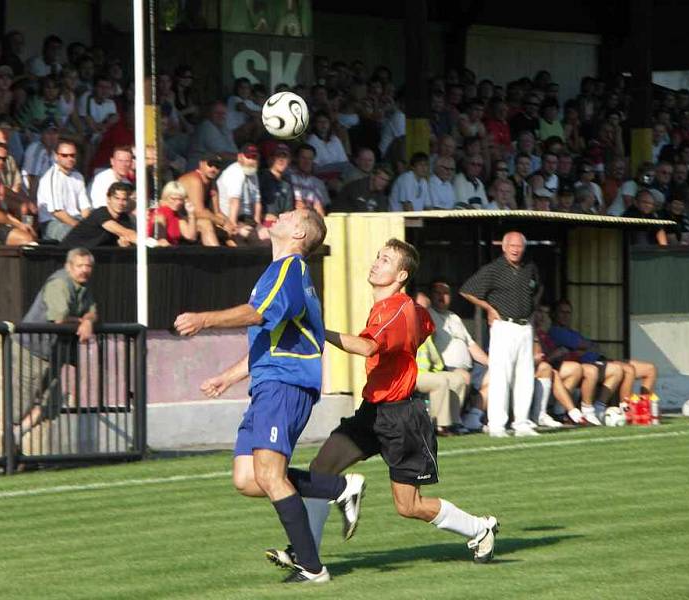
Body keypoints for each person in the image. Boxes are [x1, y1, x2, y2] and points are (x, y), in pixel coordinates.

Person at [274, 239, 498, 569]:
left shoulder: (398, 309)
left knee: (408, 506)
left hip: (402, 418)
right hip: (373, 410)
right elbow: (427, 325)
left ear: (401, 274)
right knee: (322, 470)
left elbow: (366, 348)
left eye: (387, 260)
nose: (377, 263)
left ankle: (480, 529)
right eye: (378, 256)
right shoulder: (398, 308)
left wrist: (317, 330)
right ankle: (307, 556)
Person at [174, 208, 365, 584]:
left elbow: (258, 314)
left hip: (285, 384)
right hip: (270, 383)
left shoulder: (289, 270)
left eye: (288, 214)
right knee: (248, 478)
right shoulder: (281, 272)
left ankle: (312, 567)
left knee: (268, 474)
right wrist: (228, 377)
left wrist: (204, 319)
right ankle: (339, 487)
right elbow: (272, 338)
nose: (278, 214)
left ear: (297, 233)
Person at [14, 247, 97, 446]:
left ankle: (16, 435)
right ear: (68, 266)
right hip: (31, 349)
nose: (84, 270)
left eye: (88, 266)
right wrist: (82, 322)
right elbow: (59, 318)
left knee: (49, 401)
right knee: (21, 401)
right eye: (79, 266)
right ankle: (7, 444)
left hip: (52, 353)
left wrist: (88, 321)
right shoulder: (60, 283)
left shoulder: (83, 288)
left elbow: (93, 312)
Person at [460, 231, 541, 437]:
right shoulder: (494, 269)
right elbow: (467, 290)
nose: (515, 249)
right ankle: (497, 424)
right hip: (504, 326)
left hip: (525, 327)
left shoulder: (529, 267)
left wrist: (533, 312)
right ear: (504, 247)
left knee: (524, 376)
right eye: (511, 245)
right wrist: (488, 308)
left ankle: (521, 422)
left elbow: (538, 289)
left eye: (519, 246)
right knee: (500, 376)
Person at [37, 140, 91, 242]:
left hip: (76, 219)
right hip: (53, 222)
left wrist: (89, 225)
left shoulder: (78, 176)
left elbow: (85, 209)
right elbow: (57, 212)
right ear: (56, 156)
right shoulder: (51, 177)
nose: (69, 158)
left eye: (72, 155)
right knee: (75, 235)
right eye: (64, 155)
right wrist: (81, 227)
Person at [62, 181, 145, 248]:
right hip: (67, 255)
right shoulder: (100, 213)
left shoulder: (124, 218)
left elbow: (127, 240)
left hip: (95, 258)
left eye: (124, 199)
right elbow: (126, 233)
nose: (120, 203)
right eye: (117, 198)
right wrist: (152, 243)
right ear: (108, 199)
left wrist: (125, 246)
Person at [178, 153, 234, 246]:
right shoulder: (194, 180)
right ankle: (217, 257)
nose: (213, 169)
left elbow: (217, 212)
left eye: (217, 166)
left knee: (233, 233)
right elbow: (199, 212)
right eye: (210, 165)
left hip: (192, 219)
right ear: (201, 164)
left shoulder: (212, 183)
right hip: (178, 219)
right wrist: (223, 223)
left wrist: (230, 225)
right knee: (206, 224)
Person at [216, 143, 266, 243]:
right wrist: (233, 224)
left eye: (254, 157)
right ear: (240, 157)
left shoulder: (253, 172)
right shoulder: (235, 171)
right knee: (254, 237)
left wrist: (257, 223)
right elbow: (234, 201)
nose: (252, 161)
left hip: (247, 218)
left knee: (267, 236)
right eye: (248, 157)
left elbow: (257, 201)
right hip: (230, 216)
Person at [147, 181, 197, 245]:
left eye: (180, 199)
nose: (178, 202)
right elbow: (161, 241)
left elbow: (191, 237)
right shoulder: (160, 213)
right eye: (173, 199)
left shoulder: (177, 216)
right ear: (166, 197)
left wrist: (191, 213)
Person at [259, 143, 295, 224]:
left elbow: (288, 211)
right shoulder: (261, 177)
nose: (281, 160)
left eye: (285, 157)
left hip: (280, 224)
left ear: (289, 160)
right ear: (270, 159)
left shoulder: (287, 184)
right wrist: (263, 215)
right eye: (277, 156)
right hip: (262, 222)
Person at [289, 144, 329, 216]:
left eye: (310, 159)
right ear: (296, 158)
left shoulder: (318, 183)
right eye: (303, 158)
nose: (307, 162)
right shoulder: (288, 176)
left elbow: (321, 210)